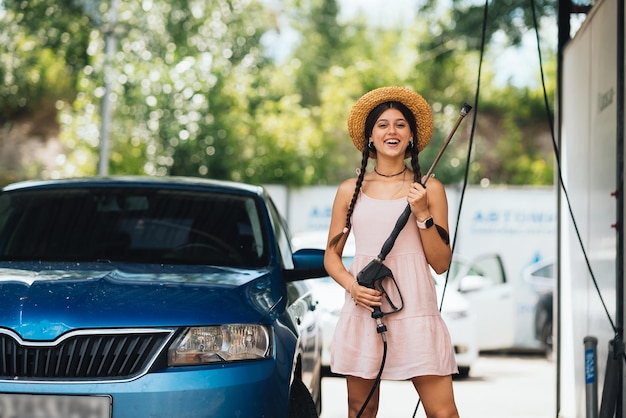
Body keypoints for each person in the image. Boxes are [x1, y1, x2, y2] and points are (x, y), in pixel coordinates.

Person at [324, 86, 460, 418]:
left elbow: (441, 264)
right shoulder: (349, 190)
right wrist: (353, 286)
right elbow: (331, 256)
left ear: (411, 136)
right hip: (366, 310)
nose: (392, 131)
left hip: (417, 310)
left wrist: (423, 213)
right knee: (361, 409)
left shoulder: (430, 188)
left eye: (400, 124)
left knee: (443, 412)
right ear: (370, 137)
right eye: (383, 124)